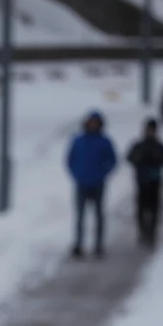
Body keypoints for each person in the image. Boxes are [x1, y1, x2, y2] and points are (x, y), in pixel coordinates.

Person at [65, 110, 118, 259]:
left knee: (99, 216)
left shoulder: (104, 142)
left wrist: (102, 173)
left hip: (98, 184)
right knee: (80, 216)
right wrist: (77, 175)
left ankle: (98, 245)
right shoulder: (79, 140)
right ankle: (79, 244)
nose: (93, 125)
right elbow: (70, 159)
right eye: (91, 122)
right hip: (81, 183)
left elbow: (112, 160)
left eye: (96, 122)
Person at [126, 118, 163, 247]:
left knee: (153, 208)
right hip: (142, 180)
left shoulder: (158, 146)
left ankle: (151, 232)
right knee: (142, 208)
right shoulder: (140, 145)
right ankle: (143, 231)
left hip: (154, 180)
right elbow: (130, 158)